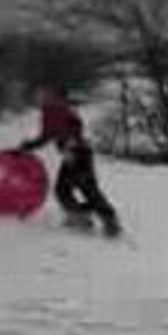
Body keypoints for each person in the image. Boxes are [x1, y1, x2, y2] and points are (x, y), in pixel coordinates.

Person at [18, 84, 121, 237]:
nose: (41, 98)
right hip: (78, 152)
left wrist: (70, 142)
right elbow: (51, 133)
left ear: (54, 97)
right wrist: (29, 146)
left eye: (45, 94)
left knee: (68, 189)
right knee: (81, 188)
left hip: (76, 153)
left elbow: (67, 129)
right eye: (41, 94)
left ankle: (99, 219)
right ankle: (95, 218)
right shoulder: (57, 110)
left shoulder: (55, 110)